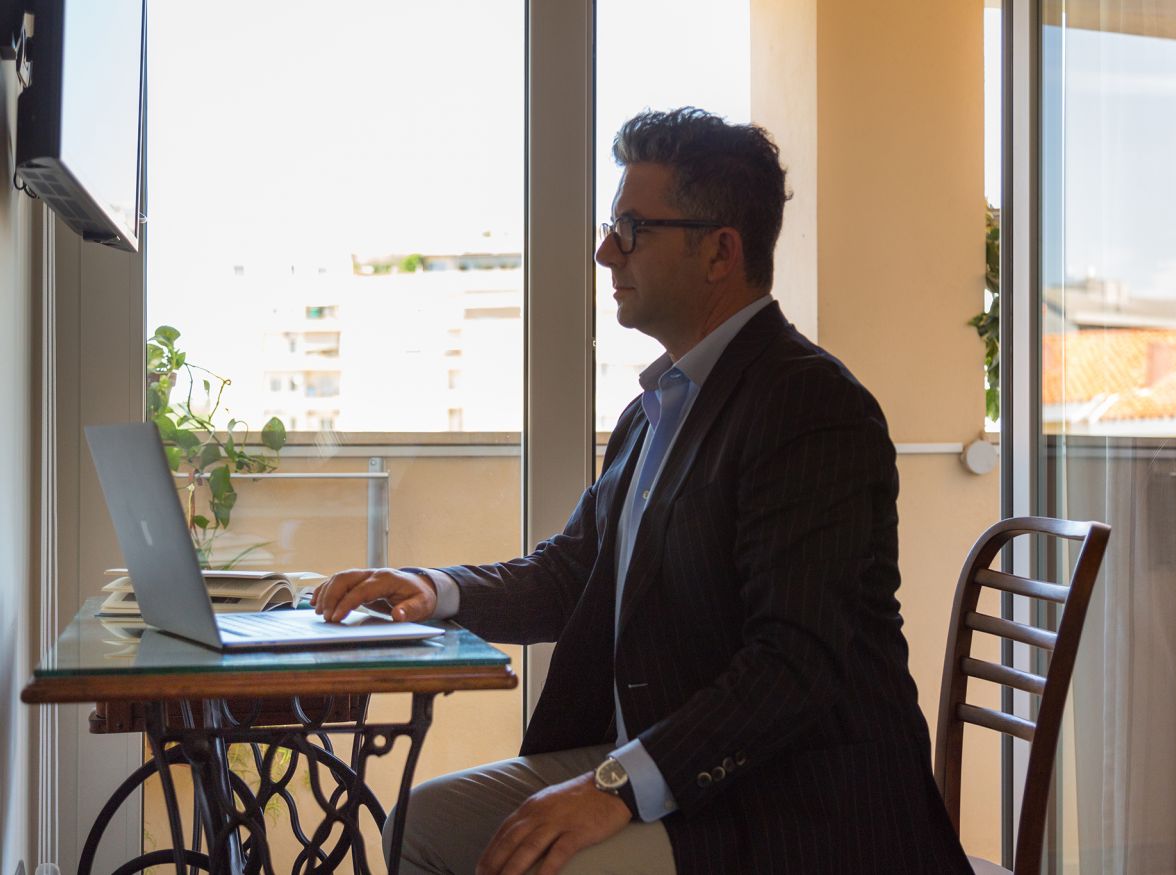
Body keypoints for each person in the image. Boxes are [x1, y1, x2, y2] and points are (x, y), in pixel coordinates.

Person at [312, 107, 971, 875]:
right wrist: (435, 589)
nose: (605, 251)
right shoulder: (657, 407)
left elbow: (793, 663)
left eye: (631, 229)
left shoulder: (809, 406)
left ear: (720, 251)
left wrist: (616, 786)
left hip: (794, 799)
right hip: (670, 770)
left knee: (548, 865)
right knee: (421, 826)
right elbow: (572, 572)